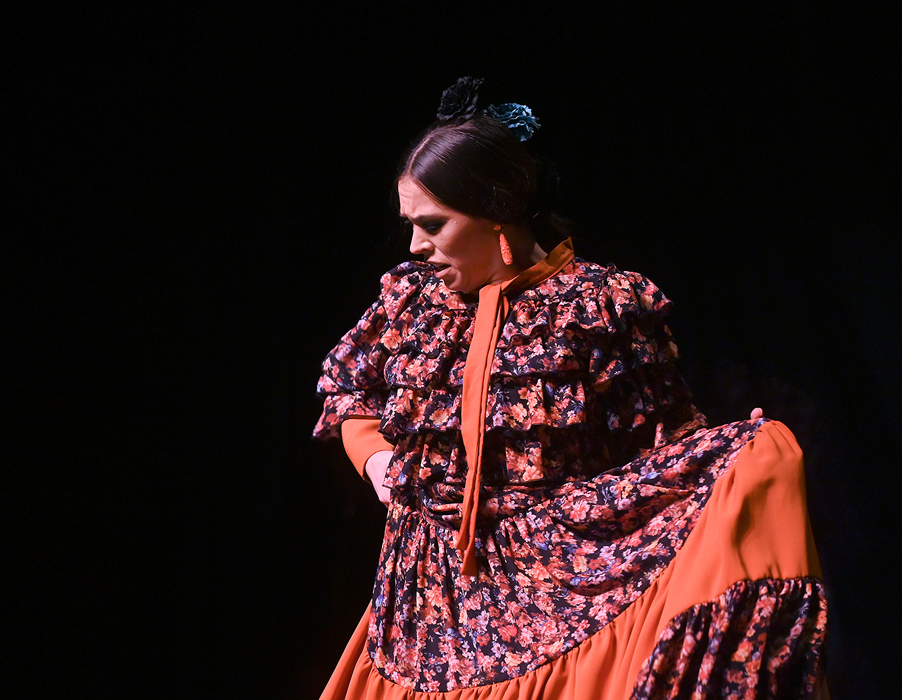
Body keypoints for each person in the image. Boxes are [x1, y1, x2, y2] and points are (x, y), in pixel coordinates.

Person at [313, 77, 827, 700]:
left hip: (555, 586)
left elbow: (661, 452)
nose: (417, 245)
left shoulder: (597, 308)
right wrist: (379, 463)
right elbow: (348, 389)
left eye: (433, 225)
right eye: (410, 226)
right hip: (428, 603)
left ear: (497, 212)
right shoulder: (411, 302)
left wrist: (733, 465)